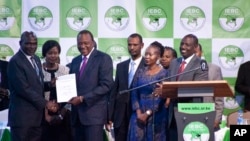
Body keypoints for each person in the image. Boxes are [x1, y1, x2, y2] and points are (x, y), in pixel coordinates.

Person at [155, 34, 208, 141]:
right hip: (173, 113)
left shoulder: (201, 63)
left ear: (195, 47)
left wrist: (171, 91)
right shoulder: (175, 62)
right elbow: (169, 81)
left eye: (187, 45)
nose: (183, 47)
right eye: (182, 44)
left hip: (191, 111)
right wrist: (163, 88)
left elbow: (199, 88)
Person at [7, 31, 58, 141]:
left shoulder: (36, 59)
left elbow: (36, 85)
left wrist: (50, 84)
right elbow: (23, 89)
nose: (32, 46)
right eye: (28, 43)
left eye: (34, 43)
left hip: (36, 119)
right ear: (21, 43)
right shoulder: (15, 61)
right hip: (22, 119)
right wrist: (46, 103)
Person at [68, 30, 114, 141]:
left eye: (86, 43)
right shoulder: (75, 60)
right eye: (80, 43)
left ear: (93, 42)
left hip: (94, 116)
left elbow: (106, 85)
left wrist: (83, 98)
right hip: (76, 116)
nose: (82, 46)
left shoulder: (104, 58)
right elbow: (71, 84)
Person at [106, 33, 145, 141]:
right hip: (120, 116)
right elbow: (114, 92)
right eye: (129, 45)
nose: (131, 47)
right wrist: (110, 116)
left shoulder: (147, 65)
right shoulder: (121, 66)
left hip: (139, 114)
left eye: (135, 45)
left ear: (142, 45)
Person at [127, 41, 168, 141]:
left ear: (158, 57)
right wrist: (138, 113)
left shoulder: (164, 74)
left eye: (150, 54)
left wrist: (148, 113)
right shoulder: (140, 71)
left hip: (156, 116)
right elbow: (134, 93)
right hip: (138, 115)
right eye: (146, 54)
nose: (147, 57)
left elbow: (161, 97)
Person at [41, 40, 72, 141]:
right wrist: (46, 115)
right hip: (42, 117)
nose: (53, 56)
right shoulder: (38, 70)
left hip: (63, 116)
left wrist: (61, 115)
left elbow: (70, 95)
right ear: (44, 54)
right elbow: (36, 93)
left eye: (55, 53)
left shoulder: (65, 70)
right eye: (50, 53)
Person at [196, 43, 224, 130]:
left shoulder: (214, 69)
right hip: (187, 115)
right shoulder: (182, 70)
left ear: (201, 52)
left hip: (209, 116)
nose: (193, 56)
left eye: (195, 52)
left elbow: (219, 97)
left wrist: (217, 119)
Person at [159, 46, 177, 141]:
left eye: (167, 56)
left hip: (172, 112)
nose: (163, 59)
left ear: (174, 59)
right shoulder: (157, 71)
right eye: (162, 56)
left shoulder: (177, 73)